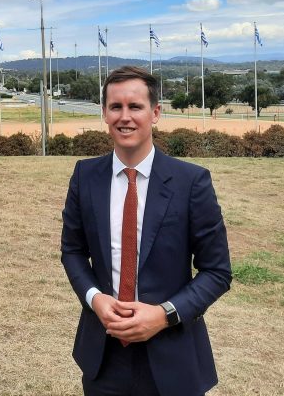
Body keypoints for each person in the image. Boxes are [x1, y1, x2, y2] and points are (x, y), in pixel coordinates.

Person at [61, 66, 231, 396]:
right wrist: (95, 300)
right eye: (116, 107)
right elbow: (72, 251)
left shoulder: (191, 182)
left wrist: (164, 315)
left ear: (155, 113)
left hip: (172, 357)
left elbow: (217, 271)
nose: (125, 117)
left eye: (135, 106)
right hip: (104, 356)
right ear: (105, 114)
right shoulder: (85, 176)